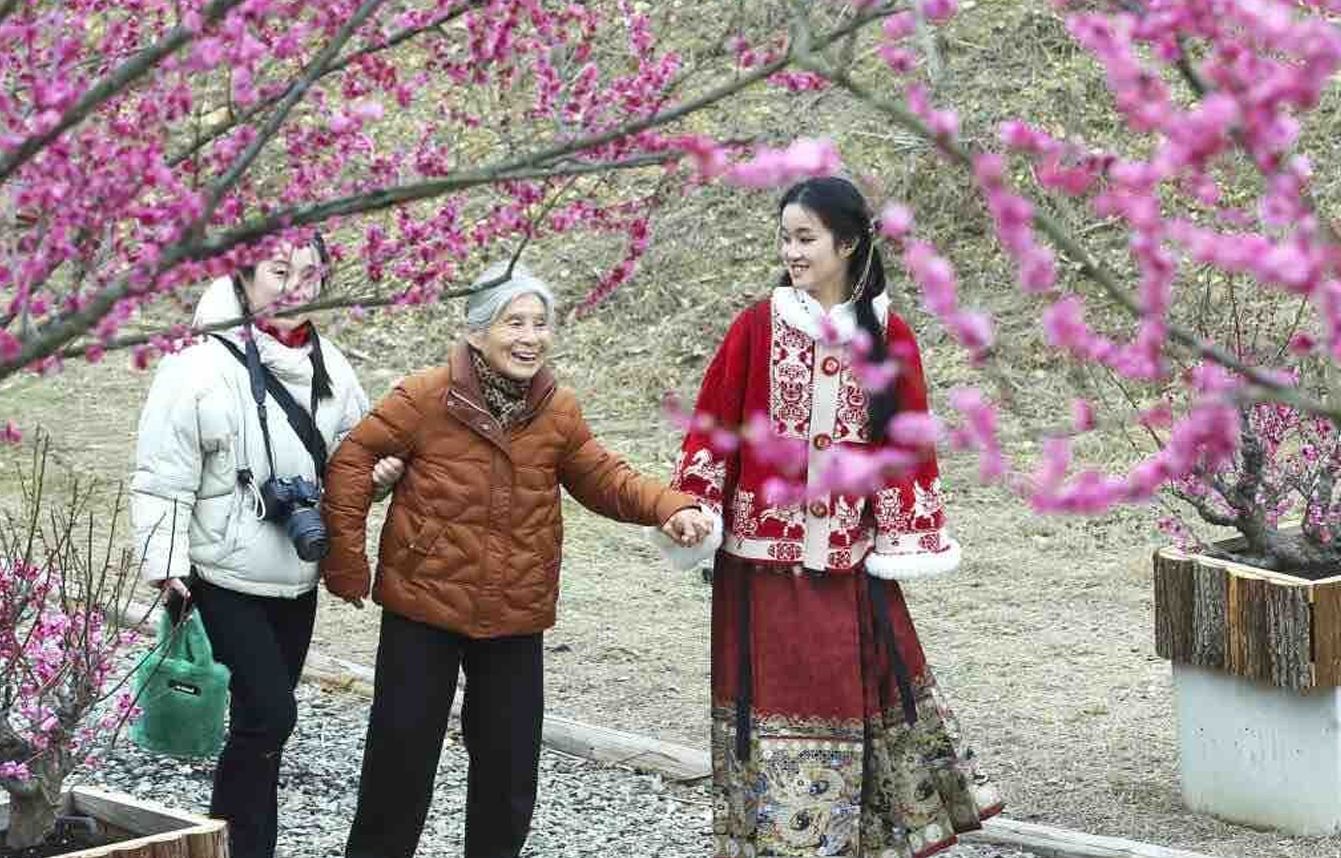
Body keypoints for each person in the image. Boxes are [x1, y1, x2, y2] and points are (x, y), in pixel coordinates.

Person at [320, 261, 716, 858]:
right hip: (422, 607)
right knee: (398, 767)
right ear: (477, 331)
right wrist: (346, 559)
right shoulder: (424, 397)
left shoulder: (557, 409)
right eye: (515, 323)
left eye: (541, 323)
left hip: (515, 611)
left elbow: (604, 476)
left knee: (508, 777)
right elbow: (352, 459)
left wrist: (669, 506)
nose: (531, 337)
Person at [660, 176, 1003, 857]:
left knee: (853, 712)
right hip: (756, 574)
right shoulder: (756, 328)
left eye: (805, 238)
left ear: (846, 243)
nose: (791, 251)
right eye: (785, 237)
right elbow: (712, 429)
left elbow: (908, 447)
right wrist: (694, 504)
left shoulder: (887, 335)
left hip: (847, 572)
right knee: (764, 720)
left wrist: (903, 538)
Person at [130, 238, 398, 858]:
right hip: (219, 571)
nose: (295, 285)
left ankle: (233, 843)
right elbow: (162, 474)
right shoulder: (196, 363)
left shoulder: (330, 363)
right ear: (243, 275)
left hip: (294, 572)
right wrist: (166, 564)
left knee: (263, 726)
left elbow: (352, 456)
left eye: (311, 273)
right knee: (269, 716)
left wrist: (375, 478)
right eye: (280, 271)